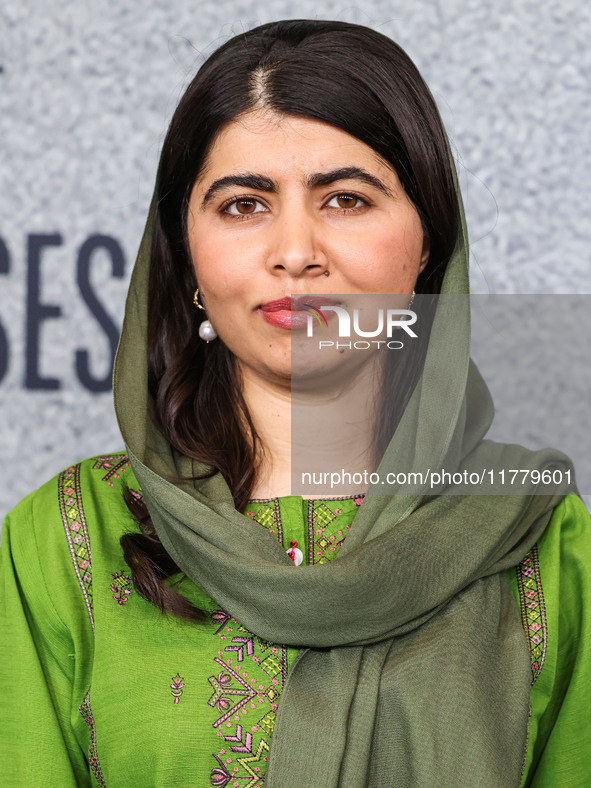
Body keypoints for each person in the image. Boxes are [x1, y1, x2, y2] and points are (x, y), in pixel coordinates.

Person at [1, 19, 590, 788]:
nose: (295, 250)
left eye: (345, 199)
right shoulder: (65, 541)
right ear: (185, 255)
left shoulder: (540, 542)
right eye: (244, 205)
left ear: (426, 248)